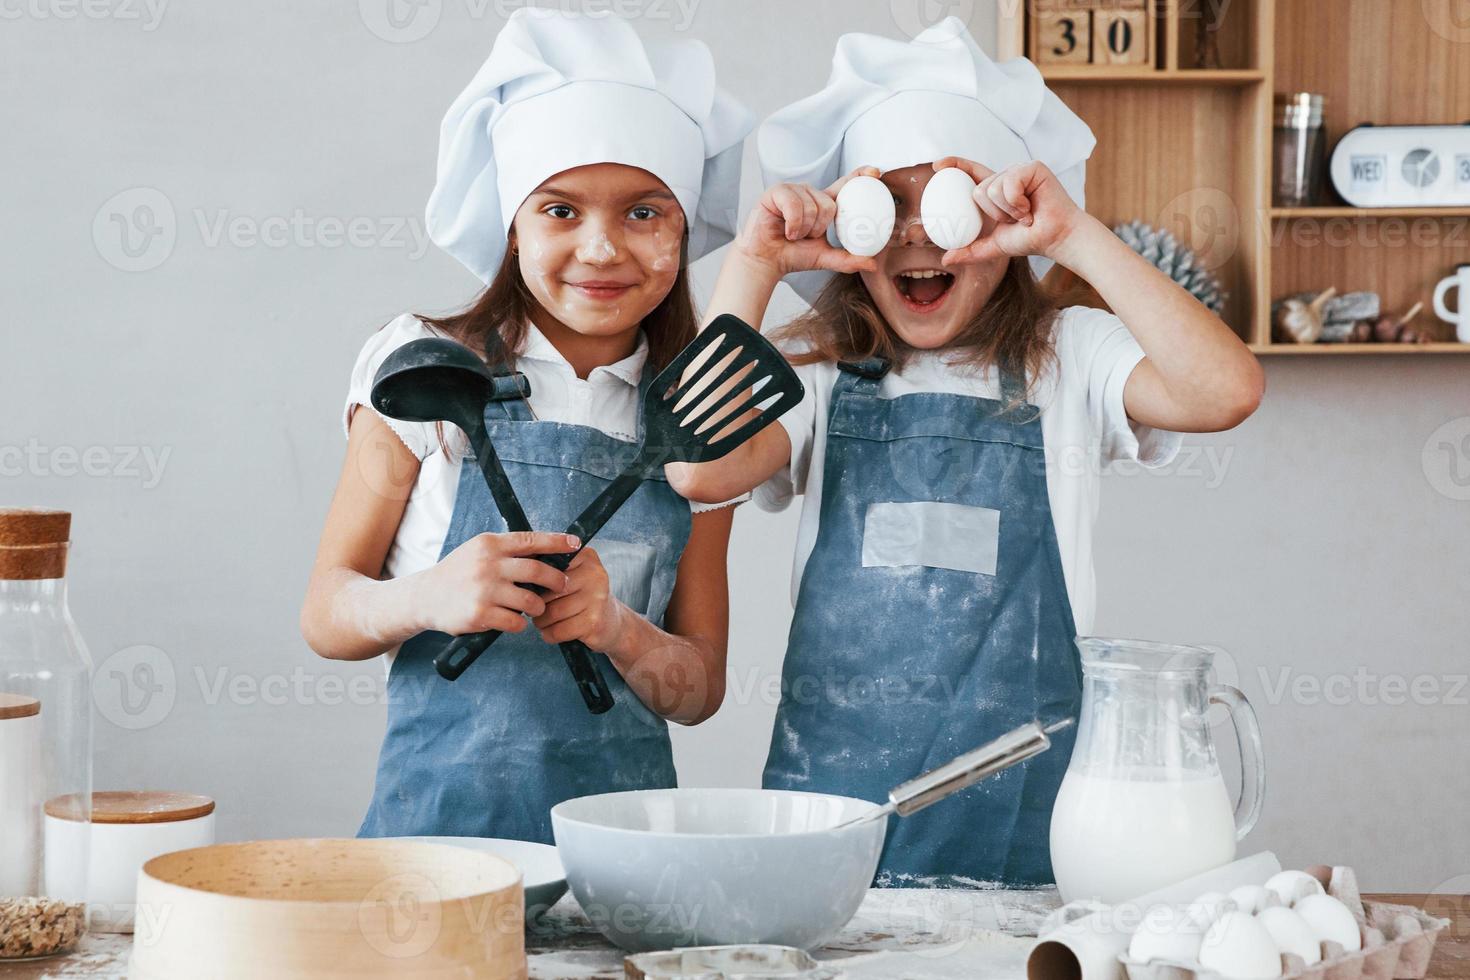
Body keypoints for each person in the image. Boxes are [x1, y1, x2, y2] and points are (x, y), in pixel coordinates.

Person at [667, 17, 1264, 886]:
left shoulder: (1072, 355)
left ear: (1008, 216)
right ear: (851, 228)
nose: (916, 233)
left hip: (1028, 821)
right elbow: (695, 464)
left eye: (944, 199)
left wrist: (1074, 237)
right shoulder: (820, 372)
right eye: (886, 205)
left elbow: (1226, 390)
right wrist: (755, 264)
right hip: (835, 830)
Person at [301, 8, 754, 844]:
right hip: (436, 850)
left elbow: (699, 692)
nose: (603, 248)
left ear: (686, 227)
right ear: (512, 223)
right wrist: (426, 597)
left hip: (625, 859)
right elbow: (327, 615)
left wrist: (620, 630)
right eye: (560, 210)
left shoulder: (701, 416)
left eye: (645, 213)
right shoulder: (422, 365)